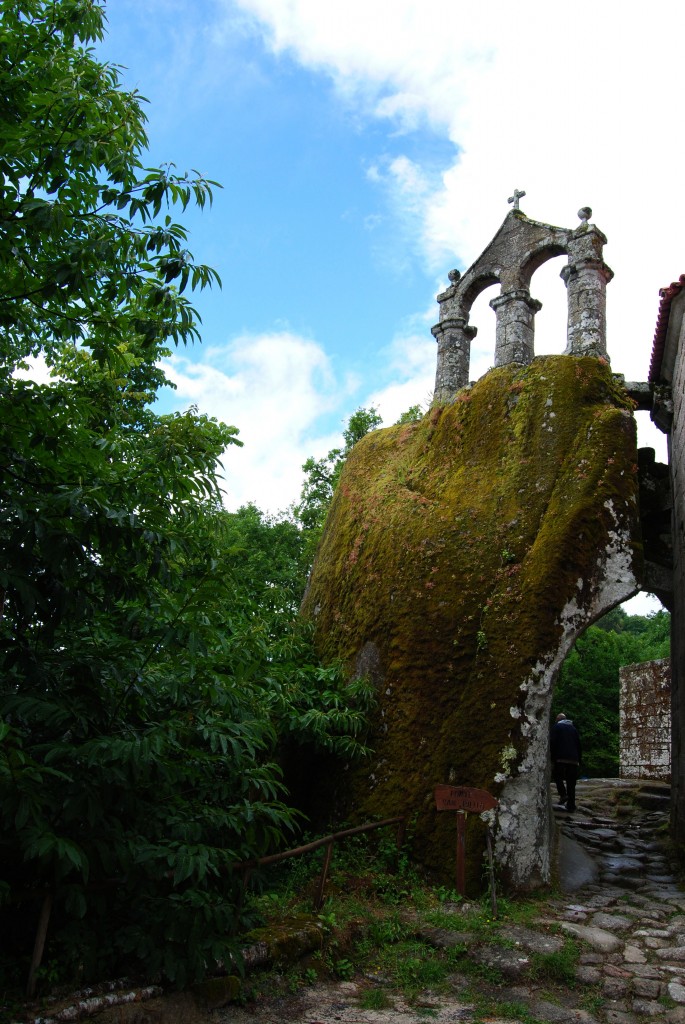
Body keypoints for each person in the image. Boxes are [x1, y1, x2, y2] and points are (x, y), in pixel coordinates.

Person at [550, 712, 582, 813]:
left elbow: (552, 742)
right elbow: (578, 744)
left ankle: (563, 794)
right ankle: (571, 805)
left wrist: (552, 757)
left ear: (557, 719)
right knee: (571, 783)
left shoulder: (556, 727)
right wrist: (579, 759)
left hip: (560, 757)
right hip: (574, 759)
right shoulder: (573, 729)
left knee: (558, 776)